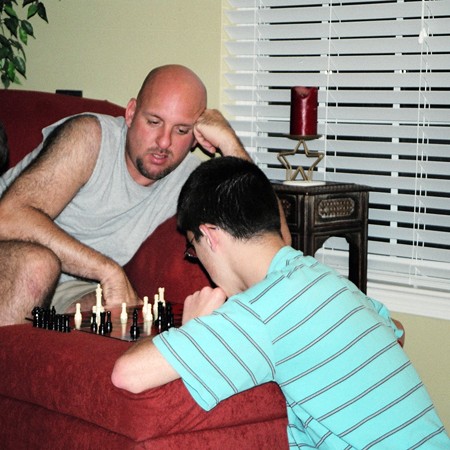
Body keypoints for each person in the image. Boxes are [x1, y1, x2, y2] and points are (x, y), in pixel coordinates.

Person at [112, 157, 449, 449]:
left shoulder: (261, 311)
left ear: (210, 236)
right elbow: (397, 332)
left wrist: (195, 327)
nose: (198, 262)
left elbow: (128, 374)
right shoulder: (323, 278)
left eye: (193, 248)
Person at [0, 64, 274, 326]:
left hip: (71, 286)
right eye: (154, 121)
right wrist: (107, 271)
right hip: (12, 258)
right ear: (131, 113)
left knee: (122, 315)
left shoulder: (190, 179)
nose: (164, 142)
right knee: (38, 266)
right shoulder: (90, 137)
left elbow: (267, 243)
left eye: (181, 130)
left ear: (196, 137)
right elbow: (8, 217)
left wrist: (228, 141)